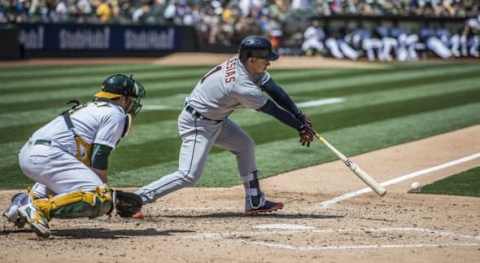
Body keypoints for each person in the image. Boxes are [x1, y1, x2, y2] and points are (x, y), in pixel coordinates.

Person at [135, 35, 315, 214]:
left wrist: (299, 116)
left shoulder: (242, 63)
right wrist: (299, 127)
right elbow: (272, 109)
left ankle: (254, 200)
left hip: (215, 121)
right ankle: (136, 199)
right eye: (266, 59)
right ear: (252, 59)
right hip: (197, 124)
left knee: (245, 146)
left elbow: (274, 89)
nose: (269, 63)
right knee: (188, 175)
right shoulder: (240, 85)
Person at [2, 74, 146, 238]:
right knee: (100, 197)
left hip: (31, 154)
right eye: (131, 99)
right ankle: (40, 208)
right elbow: (99, 155)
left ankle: (21, 204)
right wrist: (104, 189)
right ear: (123, 99)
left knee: (67, 185)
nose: (132, 104)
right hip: (49, 156)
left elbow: (82, 159)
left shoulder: (90, 107)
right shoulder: (115, 113)